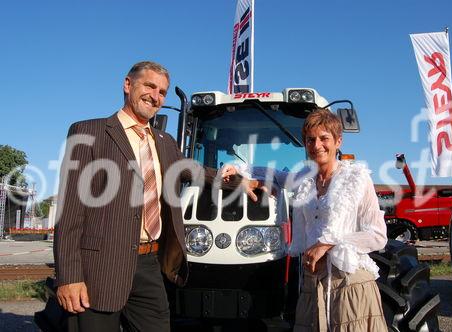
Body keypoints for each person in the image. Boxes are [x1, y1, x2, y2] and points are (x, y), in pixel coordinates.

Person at [54, 61, 259, 331]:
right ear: (128, 85)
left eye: (162, 92)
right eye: (149, 86)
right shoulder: (88, 133)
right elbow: (70, 212)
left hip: (149, 264)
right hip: (100, 267)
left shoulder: (164, 142)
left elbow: (192, 170)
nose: (156, 96)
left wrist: (238, 184)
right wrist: (69, 277)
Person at [289, 108, 388, 331]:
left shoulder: (357, 178)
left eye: (324, 138)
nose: (316, 146)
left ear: (338, 141)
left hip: (349, 285)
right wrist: (242, 176)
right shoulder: (304, 182)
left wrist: (327, 243)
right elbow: (273, 176)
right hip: (313, 286)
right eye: (310, 140)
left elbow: (378, 236)